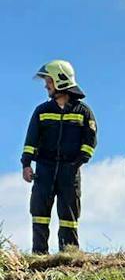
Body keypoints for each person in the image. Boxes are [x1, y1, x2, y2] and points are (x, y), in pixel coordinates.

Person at [21, 60, 97, 255]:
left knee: (69, 216)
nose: (46, 85)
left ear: (60, 81)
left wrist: (77, 163)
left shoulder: (83, 112)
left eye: (49, 81)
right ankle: (39, 256)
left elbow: (90, 142)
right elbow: (31, 140)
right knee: (39, 214)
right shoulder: (42, 111)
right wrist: (26, 164)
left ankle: (69, 256)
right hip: (44, 170)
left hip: (69, 172)